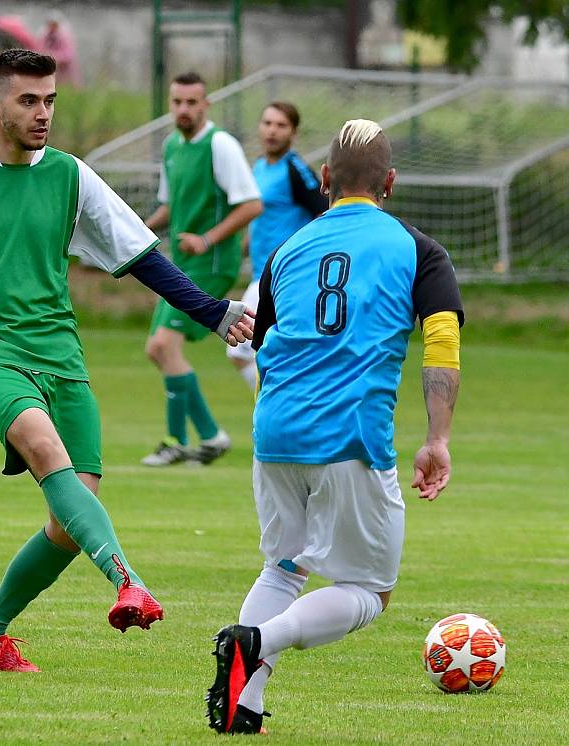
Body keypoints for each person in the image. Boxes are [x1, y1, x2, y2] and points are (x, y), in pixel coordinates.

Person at [0, 49, 253, 673]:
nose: (43, 113)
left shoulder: (70, 175)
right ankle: (128, 580)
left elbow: (141, 255)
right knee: (46, 452)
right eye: (28, 101)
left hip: (61, 355)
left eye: (50, 101)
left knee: (70, 521)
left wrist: (213, 311)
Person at [206, 119, 463, 734]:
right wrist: (437, 438)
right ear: (390, 183)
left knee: (284, 568)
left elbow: (259, 347)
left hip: (275, 431)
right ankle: (256, 642)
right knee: (371, 592)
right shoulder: (417, 249)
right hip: (350, 436)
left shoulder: (285, 251)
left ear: (323, 180)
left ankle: (244, 706)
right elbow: (442, 342)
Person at [142, 72, 263, 467]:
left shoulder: (220, 144)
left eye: (192, 102)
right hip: (181, 262)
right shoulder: (172, 146)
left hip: (211, 263)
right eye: (177, 102)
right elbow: (171, 207)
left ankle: (179, 440)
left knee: (163, 346)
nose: (183, 109)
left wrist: (208, 239)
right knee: (157, 349)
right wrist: (133, 232)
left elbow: (250, 205)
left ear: (205, 104)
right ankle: (209, 436)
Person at [228, 101, 328, 390]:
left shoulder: (295, 169)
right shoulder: (259, 167)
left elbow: (324, 213)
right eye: (268, 123)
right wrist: (240, 250)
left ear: (294, 133)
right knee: (259, 350)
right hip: (261, 275)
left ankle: (276, 408)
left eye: (281, 125)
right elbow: (262, 218)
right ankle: (282, 409)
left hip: (287, 277)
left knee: (241, 347)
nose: (272, 131)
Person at [33, 11, 81, 87]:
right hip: (50, 68)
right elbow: (38, 49)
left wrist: (56, 57)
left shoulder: (65, 35)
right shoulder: (44, 34)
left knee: (66, 86)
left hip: (64, 70)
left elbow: (69, 54)